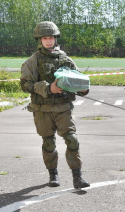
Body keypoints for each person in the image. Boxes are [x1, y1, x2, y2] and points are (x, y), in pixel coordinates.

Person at [20, 21, 90, 189]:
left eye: (51, 37)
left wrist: (82, 88)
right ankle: (53, 174)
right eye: (45, 38)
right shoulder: (33, 61)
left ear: (56, 38)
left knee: (72, 140)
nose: (49, 41)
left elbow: (78, 79)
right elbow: (25, 85)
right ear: (40, 40)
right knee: (48, 143)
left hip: (63, 108)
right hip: (42, 110)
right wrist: (47, 88)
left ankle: (77, 177)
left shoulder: (66, 59)